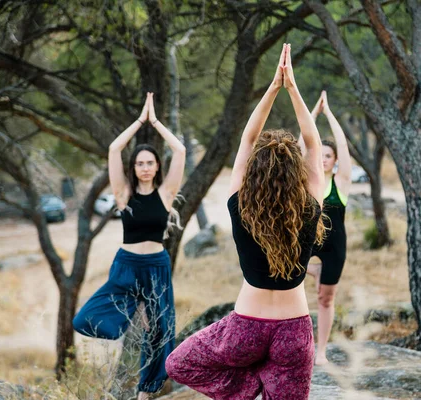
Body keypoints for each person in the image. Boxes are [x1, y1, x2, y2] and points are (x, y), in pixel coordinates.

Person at [165, 43, 325, 400]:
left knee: (178, 363)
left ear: (254, 173)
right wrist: (293, 89)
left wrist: (272, 88)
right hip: (293, 333)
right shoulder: (310, 207)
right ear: (297, 174)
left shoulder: (241, 205)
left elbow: (247, 138)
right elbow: (313, 145)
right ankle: (261, 384)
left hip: (244, 331)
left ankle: (249, 388)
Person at [73, 93, 186, 400]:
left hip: (157, 267)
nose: (145, 167)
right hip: (126, 266)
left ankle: (145, 391)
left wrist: (156, 122)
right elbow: (113, 149)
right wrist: (140, 120)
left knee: (161, 329)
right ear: (134, 168)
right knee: (84, 318)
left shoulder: (165, 193)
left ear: (156, 166)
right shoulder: (123, 195)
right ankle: (126, 319)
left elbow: (180, 149)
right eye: (139, 163)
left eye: (150, 163)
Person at [299, 90, 351, 366]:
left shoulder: (341, 182)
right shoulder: (308, 181)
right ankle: (298, 345)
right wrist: (312, 115)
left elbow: (343, 147)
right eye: (321, 154)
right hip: (309, 242)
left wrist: (328, 114)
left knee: (325, 298)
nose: (325, 158)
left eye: (329, 155)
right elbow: (299, 147)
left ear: (334, 160)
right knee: (288, 282)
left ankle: (321, 351)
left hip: (334, 246)